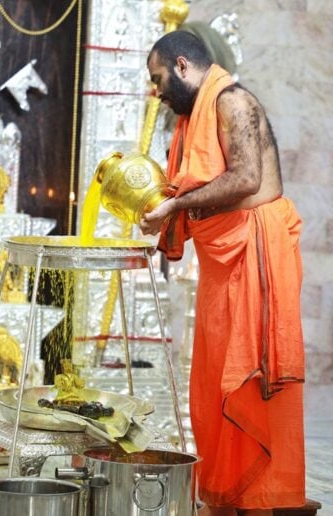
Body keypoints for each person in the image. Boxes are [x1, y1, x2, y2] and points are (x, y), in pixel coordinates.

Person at [140, 31, 305, 516]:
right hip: (220, 266)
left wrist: (175, 204)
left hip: (255, 255)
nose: (157, 91)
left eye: (159, 79)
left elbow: (246, 178)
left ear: (184, 65)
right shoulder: (190, 121)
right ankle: (227, 501)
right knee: (213, 389)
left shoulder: (233, 101)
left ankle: (260, 501)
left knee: (249, 382)